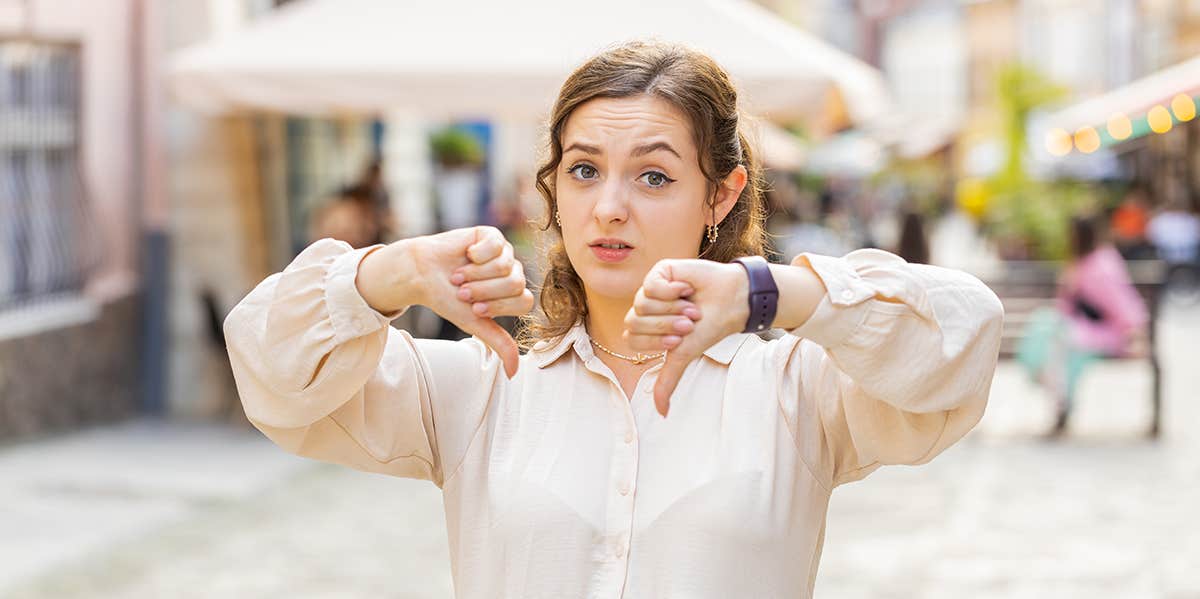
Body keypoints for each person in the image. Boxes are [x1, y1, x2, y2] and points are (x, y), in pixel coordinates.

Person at [224, 40, 1003, 598]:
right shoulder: (481, 389)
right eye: (585, 169)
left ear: (721, 196)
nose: (610, 207)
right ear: (554, 189)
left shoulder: (799, 392)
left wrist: (768, 294)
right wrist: (386, 273)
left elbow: (962, 340)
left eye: (655, 175)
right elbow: (270, 373)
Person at [1017, 215, 1148, 435]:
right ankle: (1059, 397)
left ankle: (1061, 401)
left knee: (1057, 339)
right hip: (1080, 332)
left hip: (1105, 333)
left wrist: (1136, 336)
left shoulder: (1102, 265)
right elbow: (1065, 307)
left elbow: (1123, 305)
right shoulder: (1081, 263)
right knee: (1045, 325)